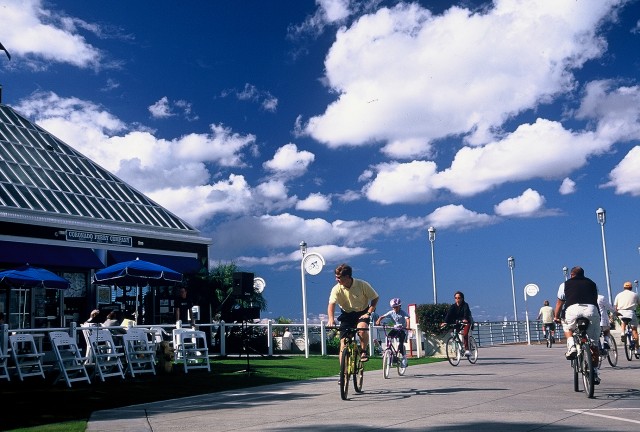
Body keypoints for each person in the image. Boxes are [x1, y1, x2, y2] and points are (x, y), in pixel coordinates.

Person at [554, 266, 601, 384]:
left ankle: (571, 346)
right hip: (591, 310)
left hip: (572, 310)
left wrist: (556, 317)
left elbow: (560, 303)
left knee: (567, 325)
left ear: (571, 275)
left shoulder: (564, 284)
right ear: (583, 274)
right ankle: (594, 371)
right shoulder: (592, 284)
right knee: (594, 345)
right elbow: (594, 300)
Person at [327, 263, 379, 362]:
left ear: (347, 277)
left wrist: (368, 313)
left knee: (362, 329)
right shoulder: (336, 289)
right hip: (347, 315)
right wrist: (331, 319)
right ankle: (343, 374)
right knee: (343, 343)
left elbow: (375, 297)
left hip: (362, 312)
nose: (336, 280)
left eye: (338, 277)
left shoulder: (362, 284)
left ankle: (363, 351)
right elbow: (331, 304)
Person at [376, 297, 410, 367]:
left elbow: (407, 319)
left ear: (399, 306)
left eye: (396, 307)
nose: (395, 308)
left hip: (402, 330)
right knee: (388, 337)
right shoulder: (391, 312)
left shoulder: (403, 313)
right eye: (393, 307)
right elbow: (383, 316)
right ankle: (388, 350)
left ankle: (404, 358)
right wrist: (378, 320)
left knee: (400, 344)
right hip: (395, 329)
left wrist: (408, 327)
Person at [441, 291, 474, 356]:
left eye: (459, 298)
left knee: (465, 334)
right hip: (458, 322)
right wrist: (445, 322)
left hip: (466, 322)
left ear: (462, 298)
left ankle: (467, 349)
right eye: (456, 298)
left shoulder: (465, 305)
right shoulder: (453, 306)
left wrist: (465, 319)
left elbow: (466, 313)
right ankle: (460, 345)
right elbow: (449, 314)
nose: (457, 299)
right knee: (454, 333)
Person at [614, 281, 639, 354]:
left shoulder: (619, 295)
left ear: (624, 287)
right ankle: (637, 349)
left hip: (621, 312)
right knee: (634, 330)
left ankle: (622, 332)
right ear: (631, 287)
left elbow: (615, 307)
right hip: (631, 312)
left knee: (623, 321)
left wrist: (616, 313)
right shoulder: (635, 294)